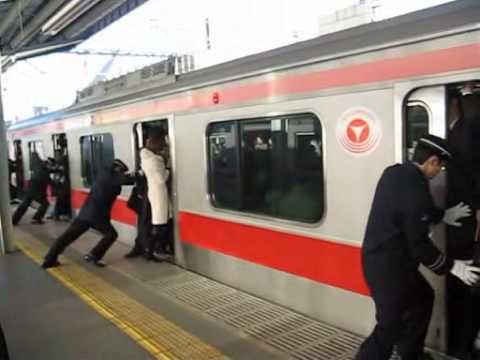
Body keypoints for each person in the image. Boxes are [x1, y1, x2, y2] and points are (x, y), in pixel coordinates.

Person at [355, 134, 480, 360]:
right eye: (440, 168)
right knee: (389, 325)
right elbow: (419, 246)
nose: (439, 173)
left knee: (423, 299)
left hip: (385, 261)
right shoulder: (416, 189)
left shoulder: (395, 172)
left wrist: (442, 215)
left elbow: (409, 211)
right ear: (432, 161)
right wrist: (452, 267)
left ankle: (411, 354)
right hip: (388, 268)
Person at [42, 159, 134, 268]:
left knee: (67, 237)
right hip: (97, 216)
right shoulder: (110, 176)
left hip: (85, 213)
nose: (122, 174)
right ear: (117, 169)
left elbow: (123, 180)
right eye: (122, 171)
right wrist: (139, 174)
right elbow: (125, 180)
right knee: (111, 234)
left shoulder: (103, 174)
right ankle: (94, 255)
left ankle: (49, 259)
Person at [445, 94, 480, 359]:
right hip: (462, 221)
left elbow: (472, 176)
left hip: (464, 224)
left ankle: (461, 345)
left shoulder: (464, 133)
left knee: (464, 285)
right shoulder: (464, 132)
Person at [140, 130, 171, 262]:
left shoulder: (146, 158)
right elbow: (161, 178)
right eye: (162, 144)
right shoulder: (155, 160)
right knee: (159, 223)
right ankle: (151, 250)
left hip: (154, 191)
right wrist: (168, 169)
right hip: (159, 192)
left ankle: (151, 250)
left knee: (159, 222)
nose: (163, 147)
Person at [12, 154, 52, 225]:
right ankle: (37, 218)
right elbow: (50, 181)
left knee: (23, 206)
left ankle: (14, 220)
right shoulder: (45, 172)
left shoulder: (37, 168)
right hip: (38, 193)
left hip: (30, 191)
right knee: (45, 204)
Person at [124, 170, 150, 258]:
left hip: (144, 204)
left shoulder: (143, 170)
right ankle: (142, 248)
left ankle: (142, 248)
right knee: (143, 227)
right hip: (143, 204)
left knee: (144, 227)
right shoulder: (142, 171)